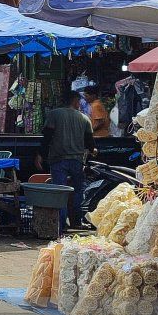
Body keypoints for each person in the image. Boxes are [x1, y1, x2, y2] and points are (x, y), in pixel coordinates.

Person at [36, 86, 97, 230]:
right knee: (77, 192)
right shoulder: (84, 118)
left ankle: (61, 224)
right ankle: (76, 222)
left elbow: (47, 137)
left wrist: (40, 155)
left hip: (58, 159)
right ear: (75, 101)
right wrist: (93, 150)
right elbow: (90, 143)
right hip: (77, 161)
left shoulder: (54, 115)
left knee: (60, 192)